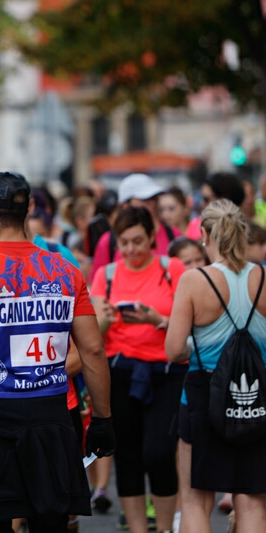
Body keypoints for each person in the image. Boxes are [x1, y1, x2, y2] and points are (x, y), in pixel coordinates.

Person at [0, 171, 115, 533]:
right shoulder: (65, 269)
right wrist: (104, 419)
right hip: (51, 416)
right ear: (27, 211)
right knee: (50, 523)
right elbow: (92, 349)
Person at [166, 199, 266, 533]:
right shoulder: (263, 277)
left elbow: (174, 350)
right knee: (252, 503)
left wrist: (202, 344)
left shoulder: (194, 281)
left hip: (202, 399)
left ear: (205, 234)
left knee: (195, 500)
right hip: (255, 401)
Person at [90, 206, 187, 533]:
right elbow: (93, 332)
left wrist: (154, 319)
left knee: (159, 452)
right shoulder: (106, 274)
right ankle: (137, 529)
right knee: (128, 455)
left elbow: (190, 324)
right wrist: (106, 318)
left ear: (152, 237)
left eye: (138, 241)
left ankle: (163, 527)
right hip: (120, 371)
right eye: (124, 242)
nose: (131, 250)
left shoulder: (171, 268)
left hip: (166, 372)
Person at [90, 173, 180, 281]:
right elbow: (96, 285)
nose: (152, 204)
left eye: (154, 198)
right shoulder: (108, 241)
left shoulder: (174, 234)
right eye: (145, 199)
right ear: (125, 205)